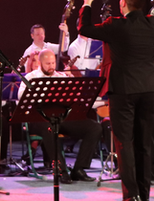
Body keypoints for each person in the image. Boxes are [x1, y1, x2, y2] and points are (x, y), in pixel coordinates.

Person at [78, 0, 154, 201]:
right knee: (144, 143)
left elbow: (84, 28)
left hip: (123, 89)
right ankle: (144, 196)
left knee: (124, 143)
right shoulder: (152, 24)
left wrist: (87, 3)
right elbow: (141, 6)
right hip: (148, 88)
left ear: (123, 3)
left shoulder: (115, 25)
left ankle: (130, 194)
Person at [20, 49, 102, 183]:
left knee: (95, 128)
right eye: (48, 63)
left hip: (61, 117)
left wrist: (72, 83)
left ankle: (79, 169)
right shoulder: (30, 77)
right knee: (50, 128)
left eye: (53, 63)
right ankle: (61, 171)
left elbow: (75, 97)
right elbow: (21, 98)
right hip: (39, 119)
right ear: (40, 63)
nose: (51, 66)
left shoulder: (61, 76)